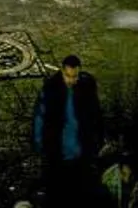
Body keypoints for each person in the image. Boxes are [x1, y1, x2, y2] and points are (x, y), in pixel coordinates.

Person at [31, 54, 105, 208]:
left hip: (79, 149)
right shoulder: (51, 89)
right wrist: (39, 142)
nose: (71, 80)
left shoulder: (86, 87)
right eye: (68, 76)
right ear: (62, 72)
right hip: (59, 150)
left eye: (74, 76)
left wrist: (98, 137)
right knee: (59, 188)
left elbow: (95, 114)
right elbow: (40, 116)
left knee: (78, 187)